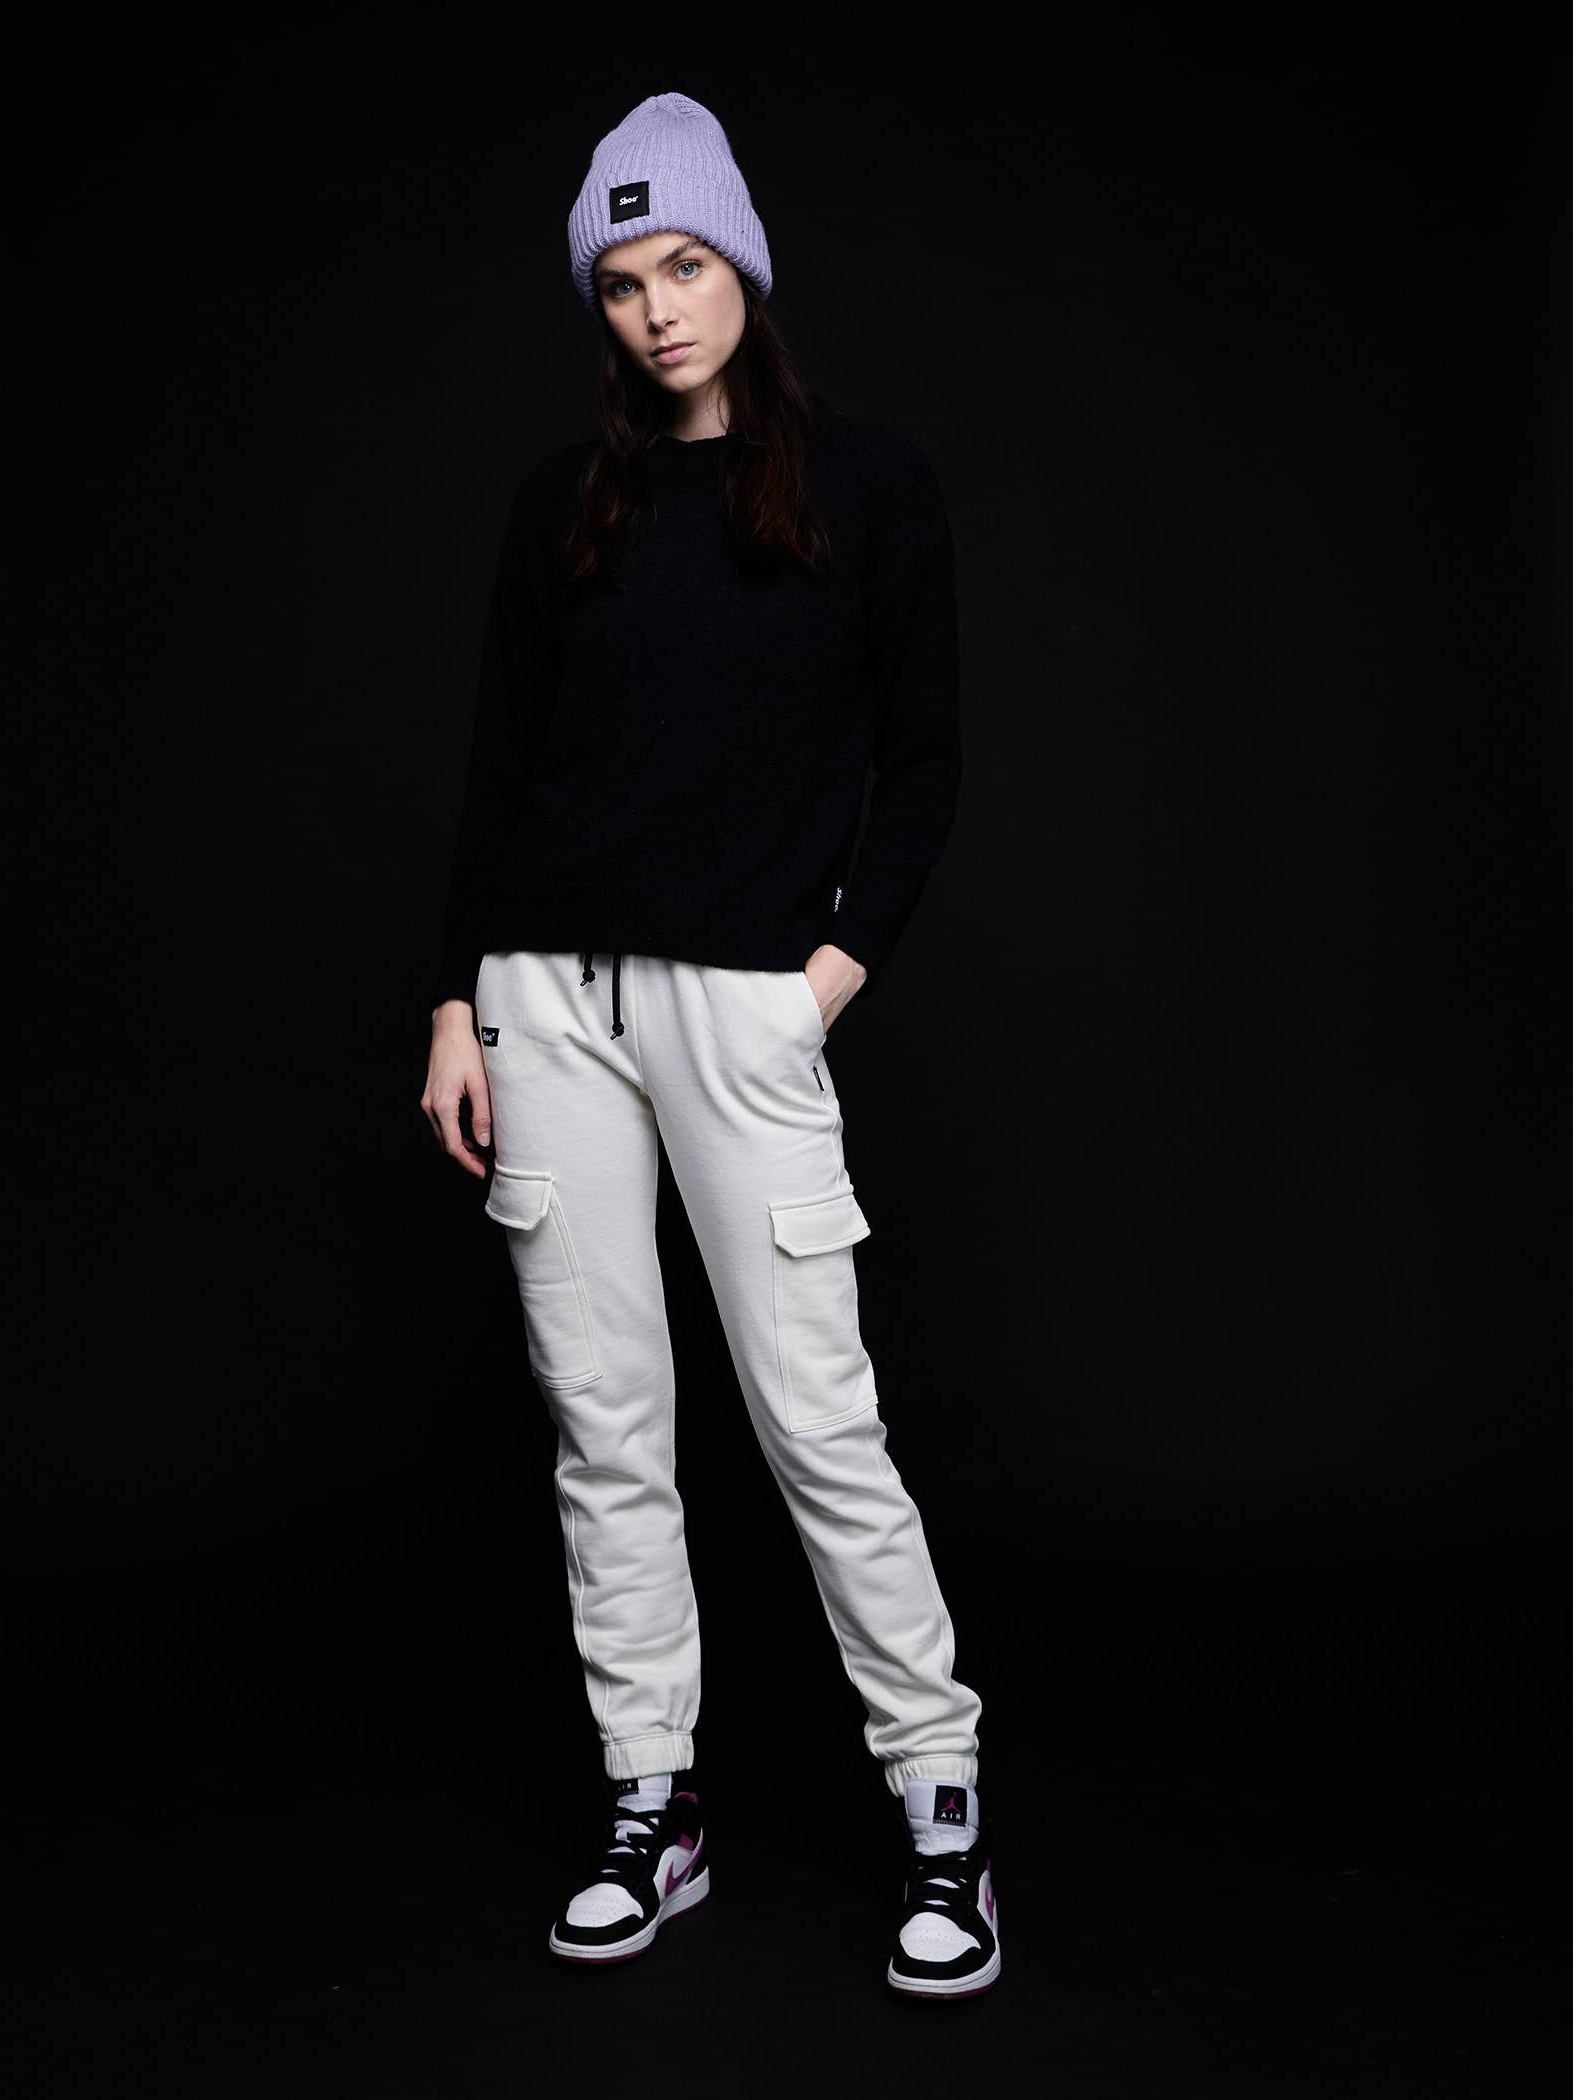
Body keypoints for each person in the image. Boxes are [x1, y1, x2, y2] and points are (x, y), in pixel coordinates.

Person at [420, 90, 997, 1999]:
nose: (658, 309)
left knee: (817, 1417)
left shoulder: (869, 487)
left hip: (742, 1003)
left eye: (683, 265)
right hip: (546, 1001)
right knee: (606, 1425)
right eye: (621, 280)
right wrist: (457, 1000)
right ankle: (647, 1800)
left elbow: (926, 761)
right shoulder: (563, 506)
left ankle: (939, 1801)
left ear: (742, 261)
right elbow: (501, 765)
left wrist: (821, 979)